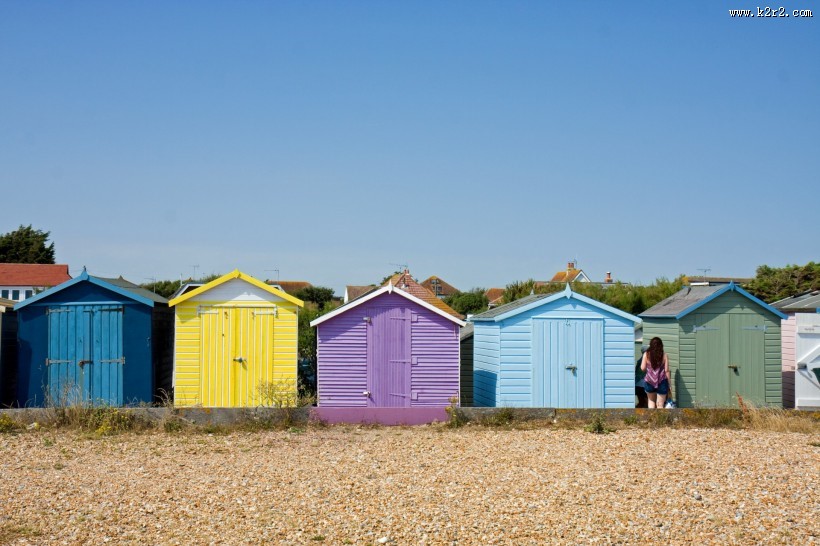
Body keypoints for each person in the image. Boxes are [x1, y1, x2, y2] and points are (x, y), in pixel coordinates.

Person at [641, 337, 670, 409]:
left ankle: (652, 419)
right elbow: (666, 371)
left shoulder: (646, 354)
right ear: (661, 345)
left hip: (649, 381)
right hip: (662, 381)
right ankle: (659, 420)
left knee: (651, 402)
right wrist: (669, 384)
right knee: (660, 405)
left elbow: (642, 368)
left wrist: (649, 369)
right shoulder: (664, 355)